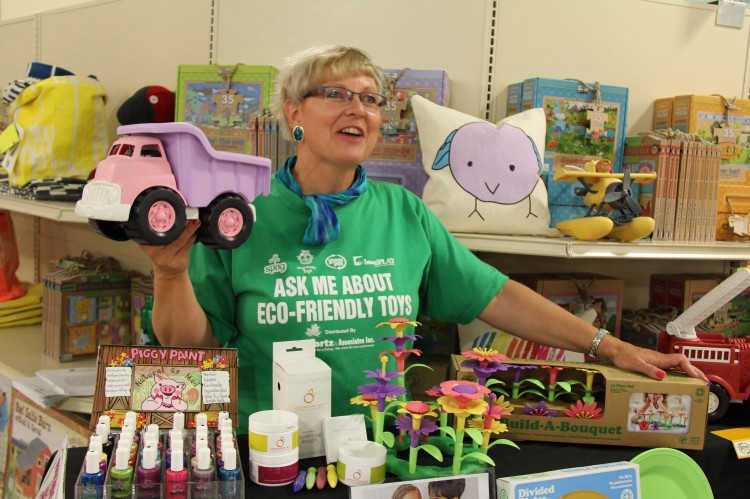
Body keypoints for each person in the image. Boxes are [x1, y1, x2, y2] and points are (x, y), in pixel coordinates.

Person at [140, 44, 705, 432]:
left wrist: (611, 347)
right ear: (294, 113)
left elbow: (494, 295)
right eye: (335, 93)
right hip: (267, 448)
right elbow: (193, 349)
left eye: (369, 97)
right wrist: (169, 274)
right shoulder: (239, 216)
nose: (357, 107)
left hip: (381, 448)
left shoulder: (403, 212)